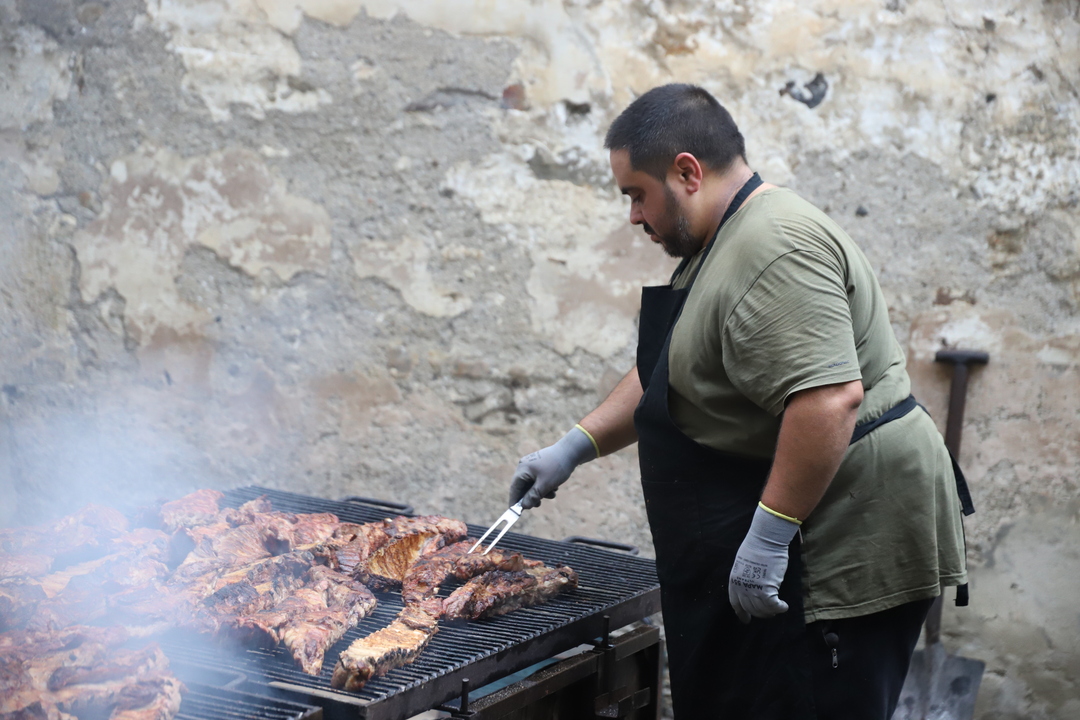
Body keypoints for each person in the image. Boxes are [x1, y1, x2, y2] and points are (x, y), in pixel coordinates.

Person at [507, 84, 971, 719]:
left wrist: (769, 537)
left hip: (841, 544)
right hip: (809, 528)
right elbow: (675, 365)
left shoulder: (773, 246)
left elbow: (829, 399)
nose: (634, 217)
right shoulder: (721, 242)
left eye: (637, 194)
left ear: (687, 173)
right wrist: (575, 446)